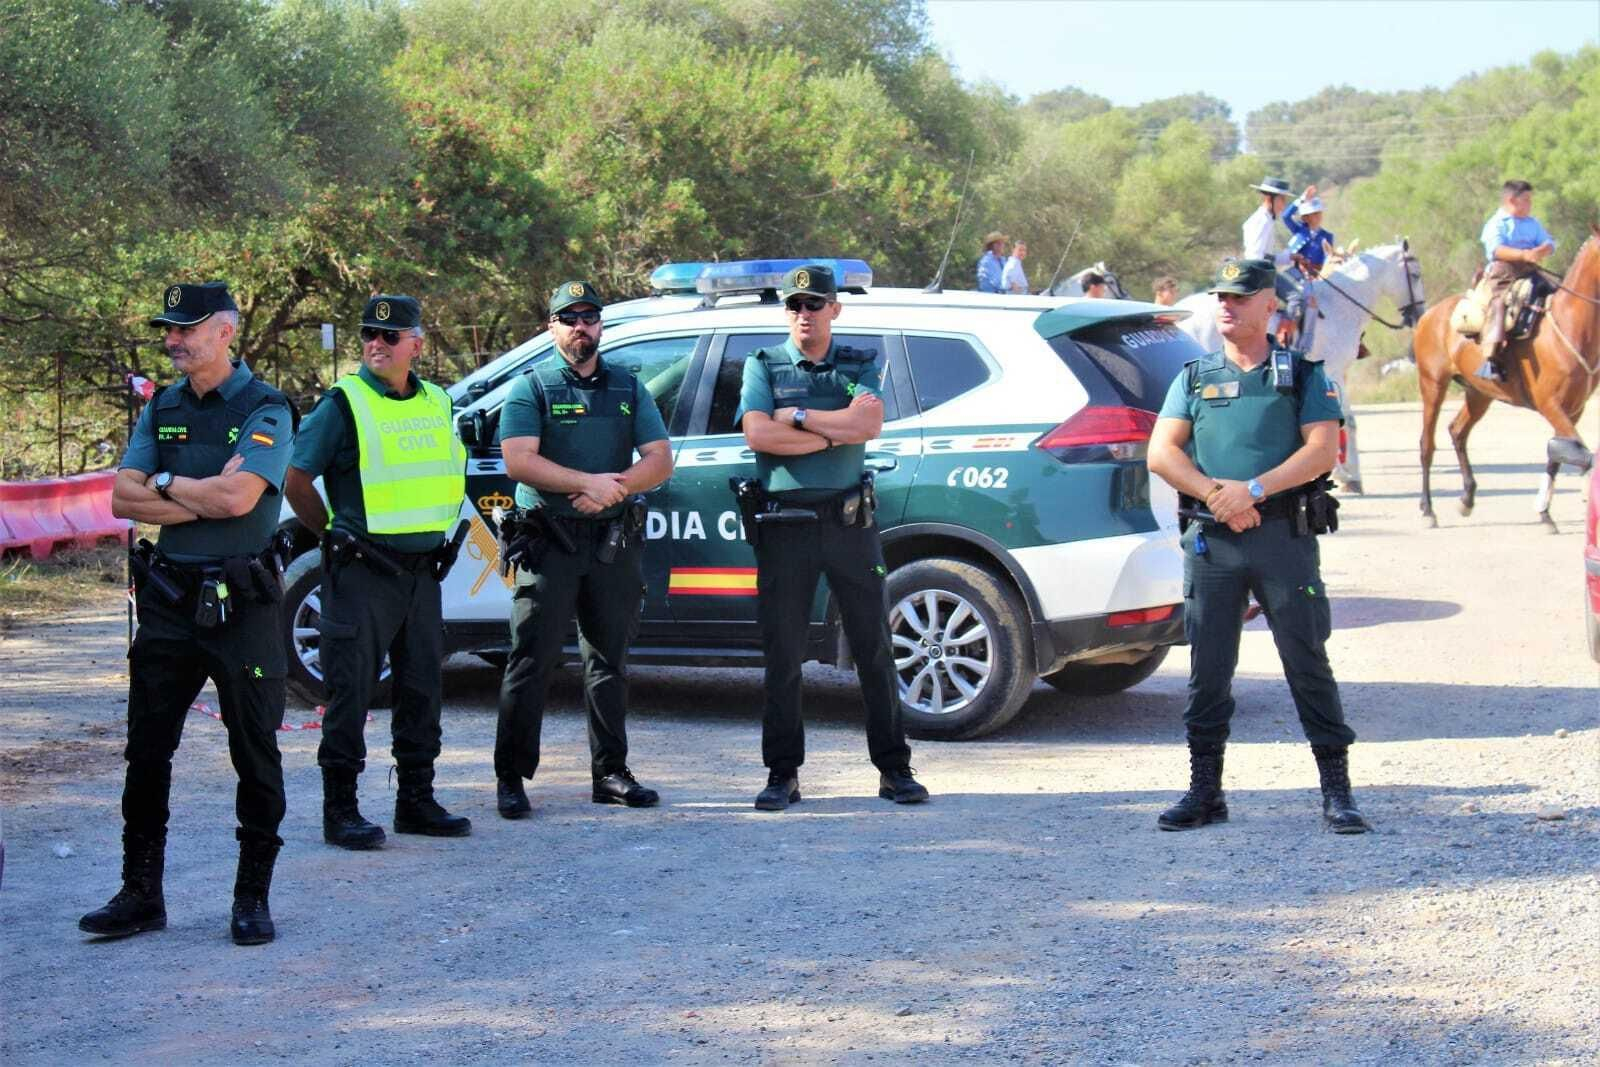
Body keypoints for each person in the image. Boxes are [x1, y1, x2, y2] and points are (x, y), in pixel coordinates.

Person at [80, 281, 297, 945]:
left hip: (243, 605)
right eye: (169, 328)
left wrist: (169, 484)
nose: (174, 339)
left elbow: (239, 500)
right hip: (171, 602)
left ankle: (251, 896)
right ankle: (141, 891)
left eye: (188, 328)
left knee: (254, 752)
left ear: (225, 330)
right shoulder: (164, 407)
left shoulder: (265, 406)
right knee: (147, 749)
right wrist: (190, 490)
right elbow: (123, 497)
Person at [1146, 258, 1370, 836]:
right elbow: (1162, 453)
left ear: (1270, 304)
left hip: (1281, 540)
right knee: (1208, 670)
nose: (1227, 305)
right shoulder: (1194, 377)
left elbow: (1322, 451)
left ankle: (1337, 791)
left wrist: (1252, 490)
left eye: (1241, 297)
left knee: (1306, 661)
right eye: (1221, 295)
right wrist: (1215, 495)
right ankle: (1204, 792)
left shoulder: (1303, 374)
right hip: (1215, 542)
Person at [736, 264, 928, 812]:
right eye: (794, 305)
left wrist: (795, 418)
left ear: (834, 310)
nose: (803, 313)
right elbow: (756, 433)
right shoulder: (764, 363)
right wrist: (830, 428)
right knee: (783, 655)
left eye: (814, 304)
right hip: (786, 526)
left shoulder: (858, 363)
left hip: (848, 524)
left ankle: (894, 769)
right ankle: (782, 775)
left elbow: (866, 428)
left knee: (872, 647)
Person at [284, 295, 471, 851]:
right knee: (352, 691)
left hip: (421, 573)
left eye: (391, 336)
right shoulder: (344, 404)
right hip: (363, 570)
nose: (377, 343)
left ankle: (416, 799)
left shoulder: (437, 400)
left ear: (417, 343)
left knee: (421, 689)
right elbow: (297, 481)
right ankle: (340, 810)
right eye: (369, 333)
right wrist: (331, 536)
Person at [494, 280, 674, 817]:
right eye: (568, 319)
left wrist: (614, 487)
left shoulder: (627, 388)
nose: (580, 328)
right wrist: (585, 482)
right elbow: (518, 460)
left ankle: (611, 773)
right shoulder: (533, 388)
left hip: (611, 544)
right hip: (549, 539)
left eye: (589, 318)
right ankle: (511, 777)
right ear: (552, 328)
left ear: (600, 326)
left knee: (609, 662)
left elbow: (660, 458)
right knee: (531, 659)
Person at [1474, 179, 1557, 381]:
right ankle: (1491, 358)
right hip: (1503, 273)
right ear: (1512, 200)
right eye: (1526, 200)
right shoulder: (1496, 224)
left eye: (1530, 200)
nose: (1530, 204)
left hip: (1531, 271)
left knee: (1557, 294)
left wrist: (1545, 248)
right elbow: (1495, 249)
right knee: (1499, 304)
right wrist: (1523, 255)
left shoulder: (1532, 223)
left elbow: (1549, 242)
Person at [1242, 176, 1292, 262]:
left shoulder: (1267, 219)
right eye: (1282, 199)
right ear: (1269, 198)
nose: (1284, 205)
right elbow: (1255, 258)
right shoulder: (1261, 220)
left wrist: (1290, 257)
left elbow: (1266, 256)